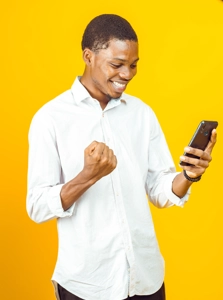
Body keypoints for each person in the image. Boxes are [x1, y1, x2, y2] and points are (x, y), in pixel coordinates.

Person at [26, 14, 217, 300]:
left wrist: (189, 175)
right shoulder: (50, 119)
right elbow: (37, 206)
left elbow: (159, 189)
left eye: (133, 65)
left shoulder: (142, 114)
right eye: (116, 64)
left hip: (145, 279)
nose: (127, 74)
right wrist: (86, 176)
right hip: (87, 285)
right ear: (88, 56)